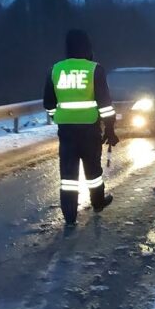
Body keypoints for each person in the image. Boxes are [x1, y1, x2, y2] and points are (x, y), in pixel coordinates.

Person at [43, 29, 117, 227]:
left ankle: (69, 215)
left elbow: (48, 103)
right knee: (93, 170)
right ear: (88, 47)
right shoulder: (95, 69)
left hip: (66, 131)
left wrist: (57, 117)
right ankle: (98, 202)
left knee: (68, 175)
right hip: (90, 130)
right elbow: (105, 104)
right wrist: (110, 129)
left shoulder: (55, 70)